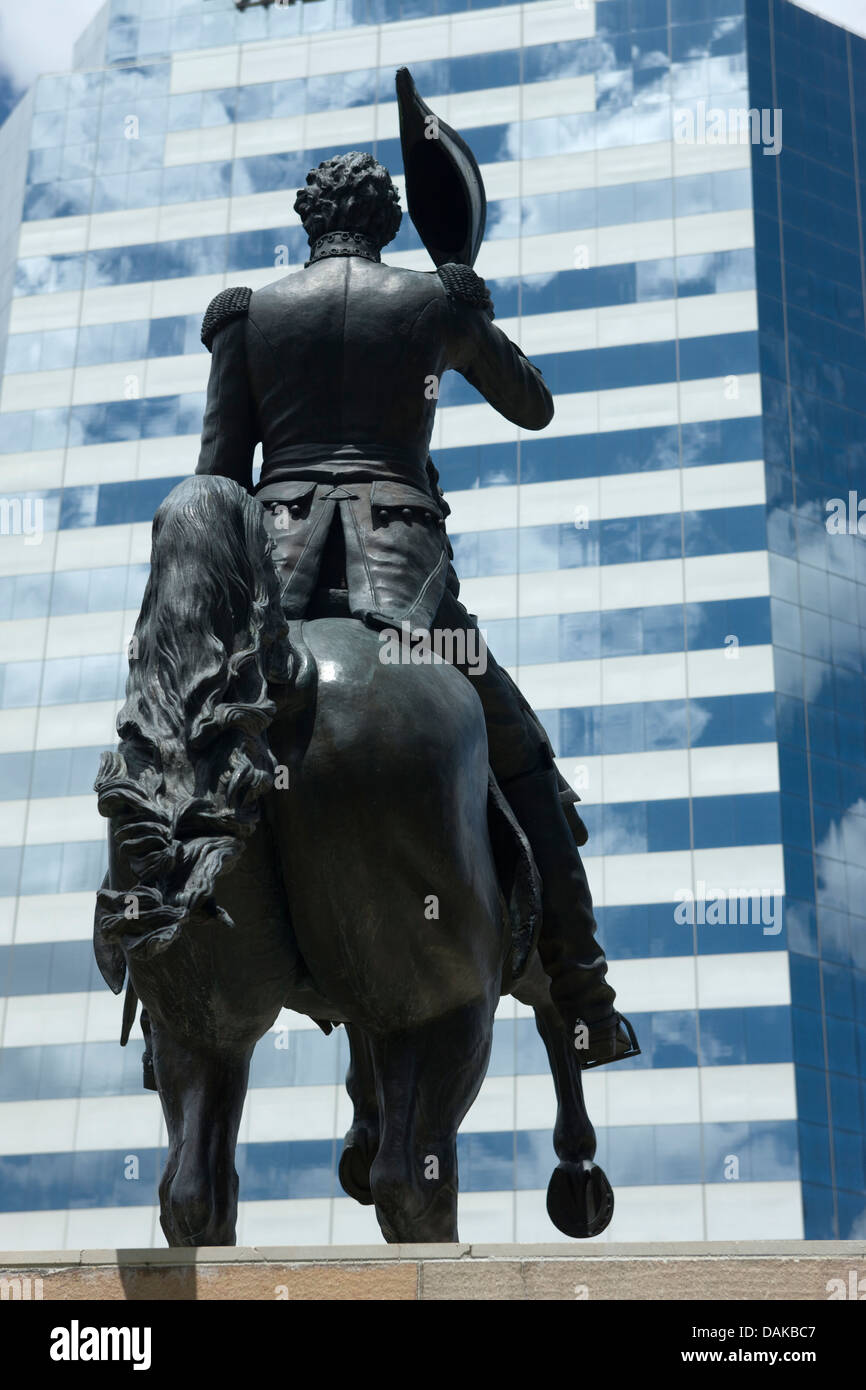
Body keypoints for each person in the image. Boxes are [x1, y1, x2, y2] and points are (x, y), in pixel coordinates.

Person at [194, 150, 639, 1069]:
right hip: (404, 587)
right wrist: (469, 310)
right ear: (389, 219)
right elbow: (534, 406)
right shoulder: (433, 303)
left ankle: (168, 945)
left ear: (307, 222)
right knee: (522, 757)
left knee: (181, 747)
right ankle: (584, 991)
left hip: (273, 584)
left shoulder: (248, 314)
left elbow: (218, 481)